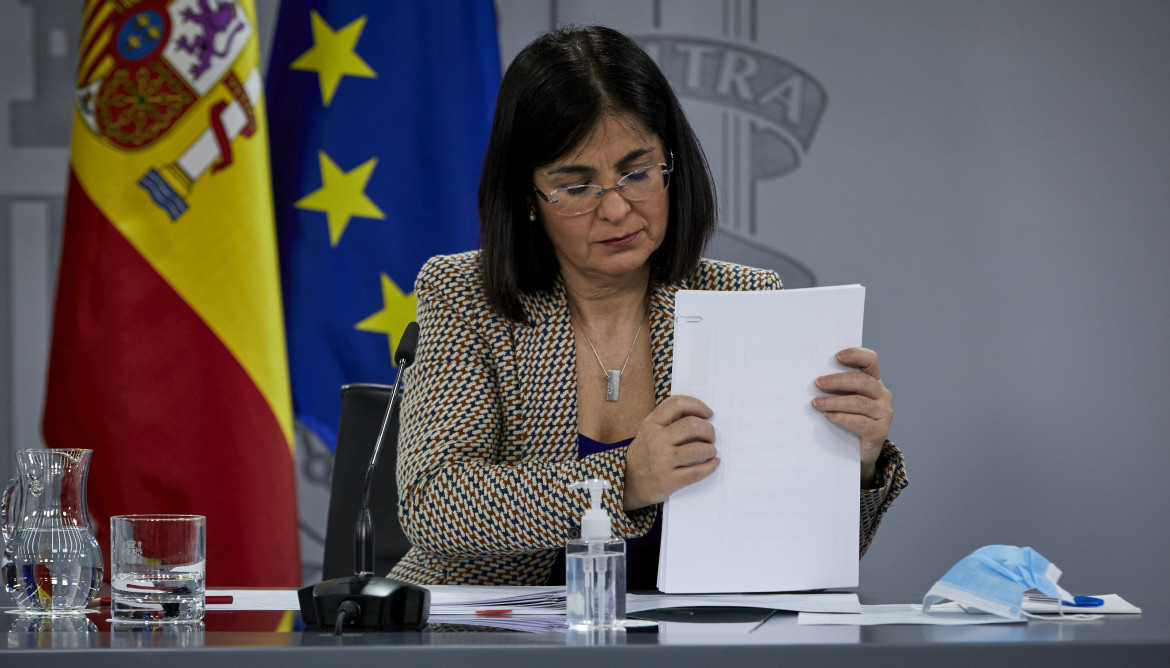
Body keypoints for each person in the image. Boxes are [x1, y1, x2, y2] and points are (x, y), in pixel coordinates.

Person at [389, 25, 907, 587]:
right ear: (527, 199)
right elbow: (433, 502)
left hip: (697, 636)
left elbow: (808, 552)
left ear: (671, 166)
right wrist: (625, 481)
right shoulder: (465, 295)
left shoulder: (743, 300)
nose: (615, 209)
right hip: (499, 633)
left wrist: (854, 464)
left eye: (637, 173)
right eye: (577, 185)